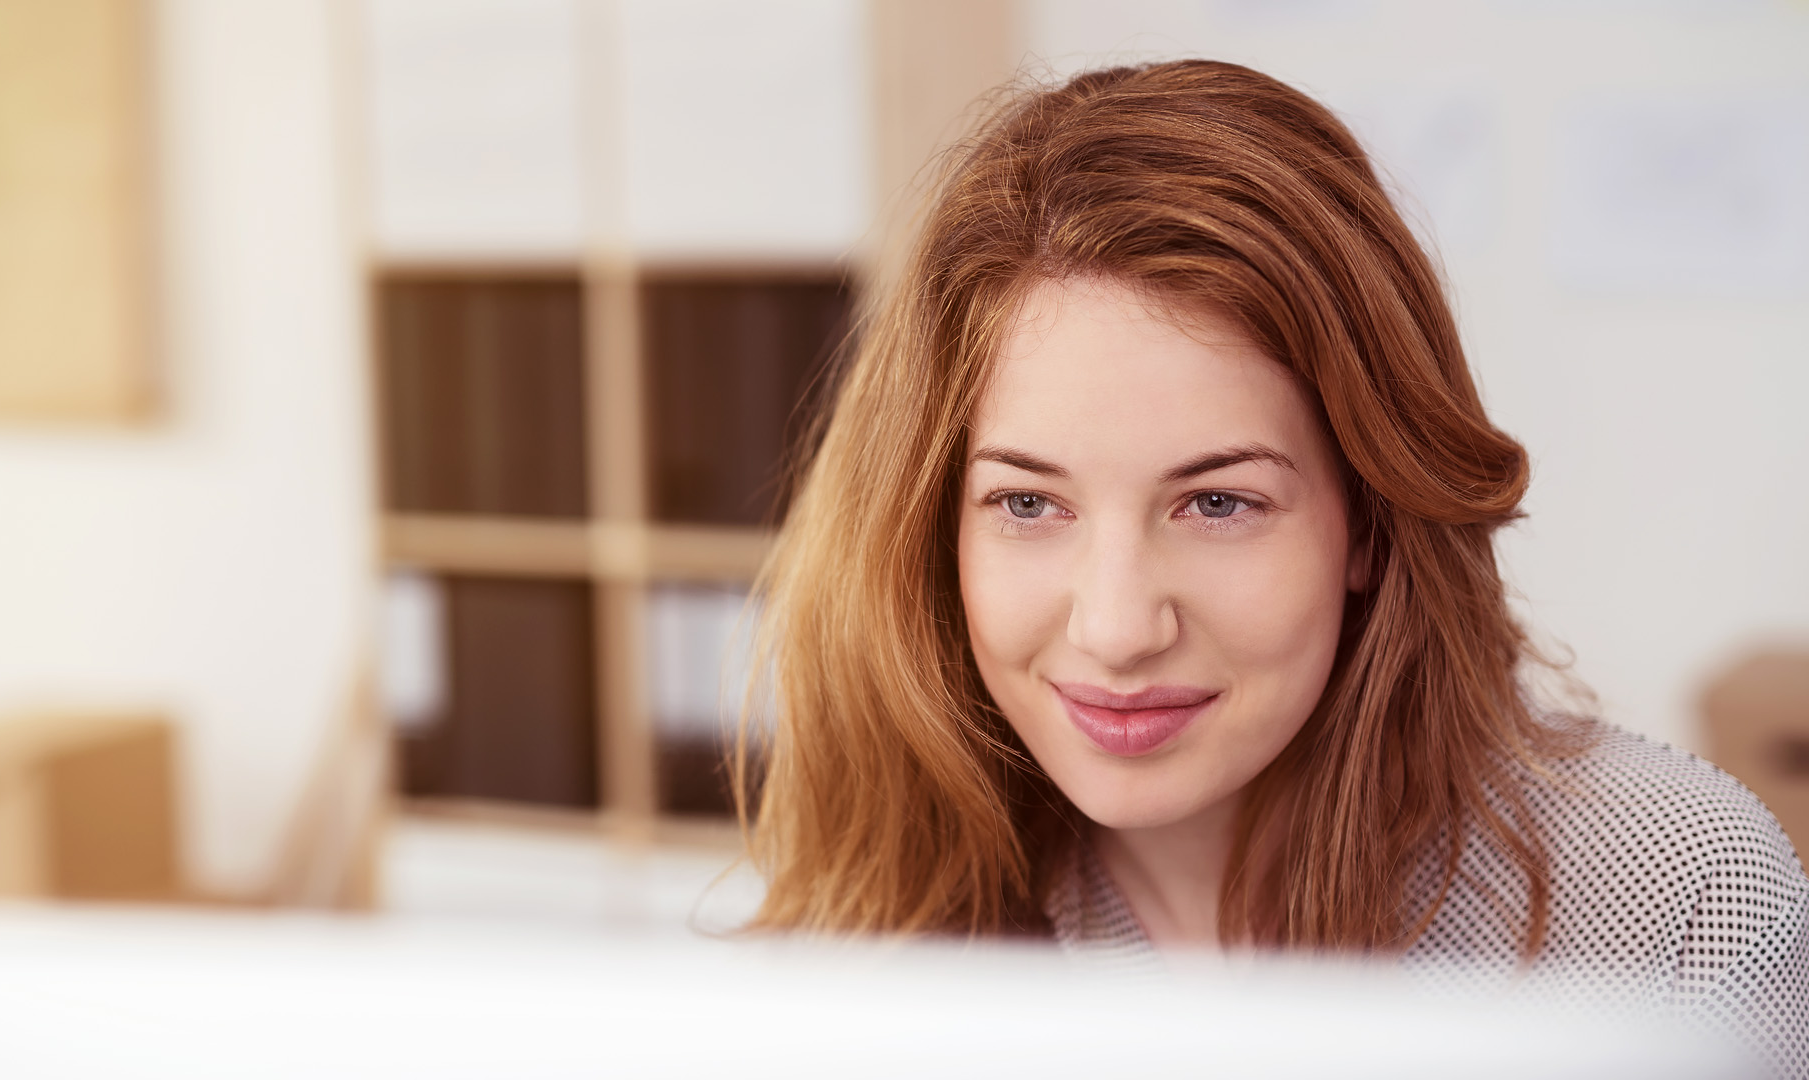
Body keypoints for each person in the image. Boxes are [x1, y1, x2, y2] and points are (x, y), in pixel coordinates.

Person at [734, 59, 1807, 1072]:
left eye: (1217, 502)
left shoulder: (1672, 893)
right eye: (1027, 502)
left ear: (1371, 525)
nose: (1114, 628)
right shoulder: (869, 940)